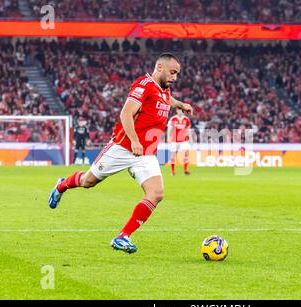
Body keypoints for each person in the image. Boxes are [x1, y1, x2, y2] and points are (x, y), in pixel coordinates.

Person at [48, 53, 193, 253]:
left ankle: (123, 236)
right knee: (88, 182)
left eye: (177, 73)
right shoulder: (144, 85)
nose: (175, 77)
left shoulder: (163, 90)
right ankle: (61, 185)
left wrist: (181, 105)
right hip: (123, 147)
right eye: (172, 72)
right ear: (159, 67)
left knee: (156, 194)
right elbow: (126, 113)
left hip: (146, 154)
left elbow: (167, 99)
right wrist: (134, 140)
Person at [167, 108, 191, 175]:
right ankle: (173, 171)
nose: (179, 111)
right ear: (176, 111)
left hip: (183, 140)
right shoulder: (173, 119)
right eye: (178, 110)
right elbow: (169, 129)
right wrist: (168, 138)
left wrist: (189, 138)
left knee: (186, 153)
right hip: (174, 140)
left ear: (183, 111)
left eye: (181, 110)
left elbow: (188, 129)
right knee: (173, 155)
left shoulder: (186, 119)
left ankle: (185, 170)